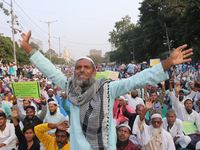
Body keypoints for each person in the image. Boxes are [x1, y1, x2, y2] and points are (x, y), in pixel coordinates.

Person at [19, 30, 193, 150]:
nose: (81, 70)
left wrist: (167, 63)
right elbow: (49, 69)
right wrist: (28, 48)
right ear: (73, 72)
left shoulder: (107, 88)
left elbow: (136, 80)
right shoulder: (69, 87)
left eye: (86, 67)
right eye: (78, 67)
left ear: (94, 72)